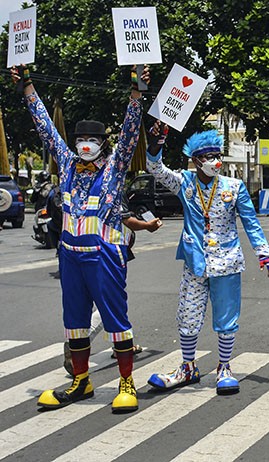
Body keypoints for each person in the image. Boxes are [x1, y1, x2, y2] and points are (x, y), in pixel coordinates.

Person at [12, 63, 149, 413]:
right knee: (74, 321)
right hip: (70, 255)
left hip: (104, 253)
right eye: (80, 141)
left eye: (92, 141)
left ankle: (126, 382)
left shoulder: (115, 167)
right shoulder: (67, 163)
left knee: (116, 319)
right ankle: (81, 380)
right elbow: (44, 127)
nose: (85, 146)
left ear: (103, 144)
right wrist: (27, 87)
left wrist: (136, 92)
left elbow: (132, 131)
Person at [145, 124, 269, 395]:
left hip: (227, 261)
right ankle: (188, 366)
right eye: (208, 156)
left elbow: (250, 222)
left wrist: (263, 251)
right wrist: (157, 144)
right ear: (195, 161)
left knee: (227, 317)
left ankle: (224, 367)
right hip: (195, 262)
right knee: (188, 315)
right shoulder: (184, 182)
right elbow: (155, 169)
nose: (215, 161)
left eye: (218, 155)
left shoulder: (233, 186)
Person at [61, 205, 161, 375]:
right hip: (106, 252)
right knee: (110, 303)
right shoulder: (108, 185)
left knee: (110, 302)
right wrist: (148, 226)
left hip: (91, 249)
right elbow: (126, 219)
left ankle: (112, 345)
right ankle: (79, 343)